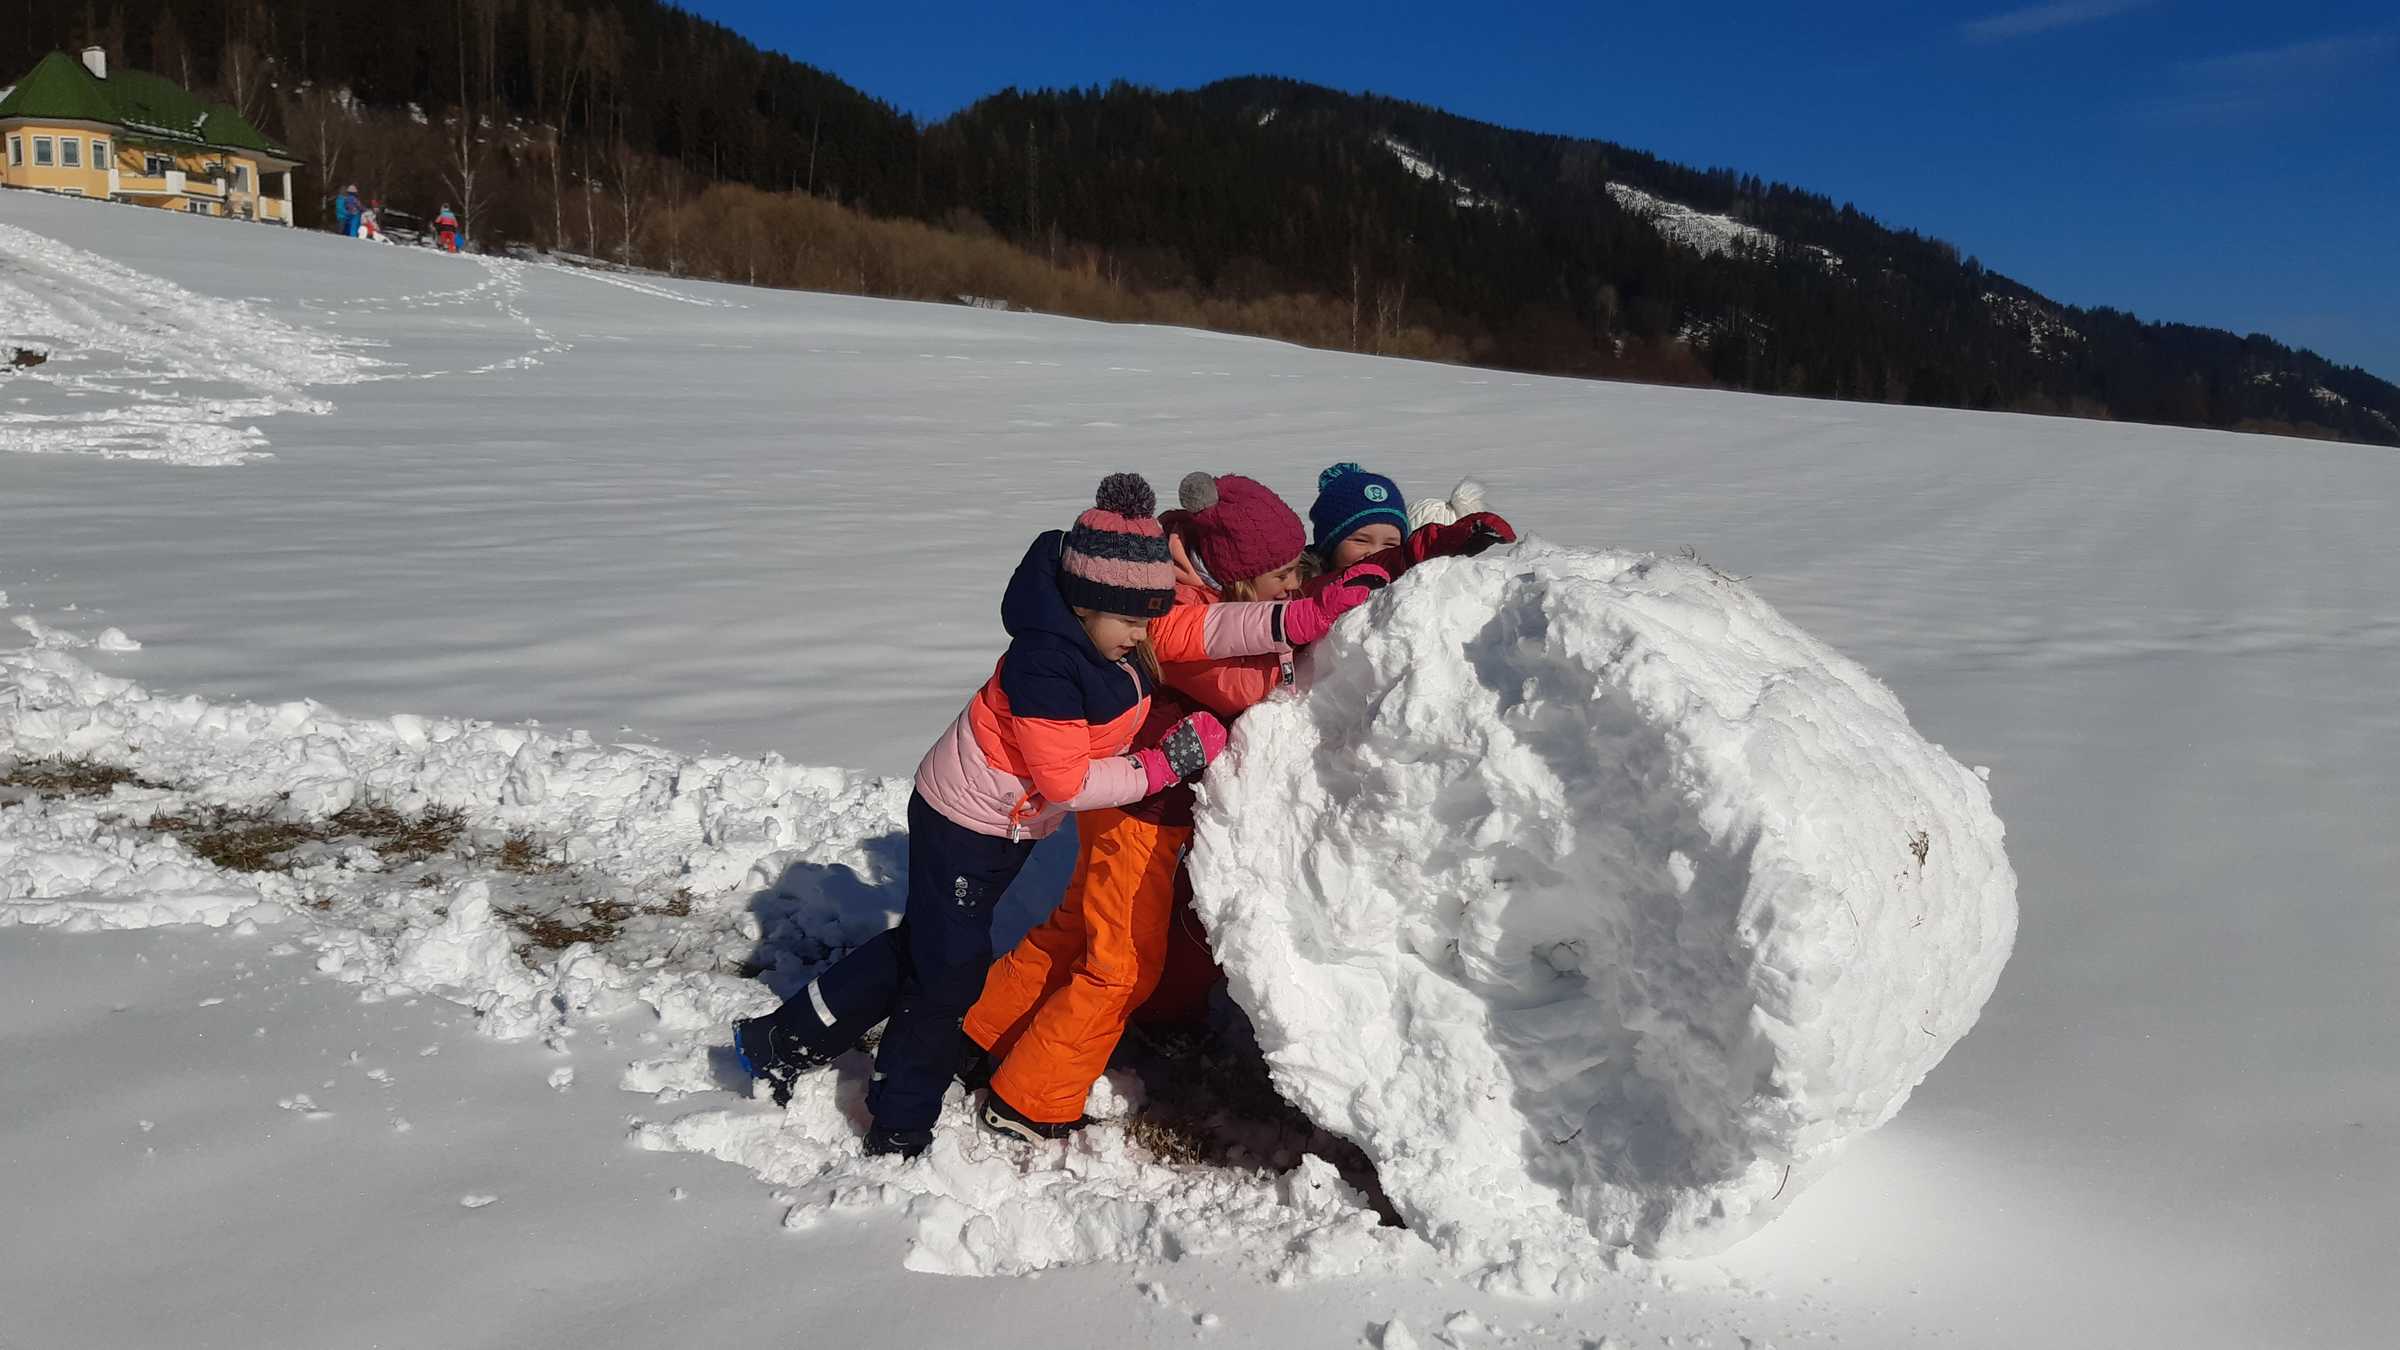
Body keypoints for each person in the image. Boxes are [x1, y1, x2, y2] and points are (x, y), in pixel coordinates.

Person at [730, 474, 1226, 1158]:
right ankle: (898, 1117)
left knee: (926, 949)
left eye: (1150, 618)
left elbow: (1202, 633)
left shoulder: (1097, 637)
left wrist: (1293, 622)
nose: (1144, 635)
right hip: (966, 822)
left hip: (1003, 822)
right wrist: (1160, 767)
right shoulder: (1045, 665)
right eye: (1134, 620)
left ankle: (781, 1040)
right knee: (949, 975)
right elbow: (1067, 779)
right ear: (1088, 604)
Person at [965, 471, 1448, 1142]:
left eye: (1294, 568)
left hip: (1129, 797)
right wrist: (1313, 631)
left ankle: (976, 1032)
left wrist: (1407, 555)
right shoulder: (1175, 617)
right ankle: (1029, 1099)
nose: (1292, 581)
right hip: (1139, 805)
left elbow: (1286, 606)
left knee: (1074, 927)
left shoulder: (1202, 589)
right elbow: (1248, 680)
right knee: (1123, 964)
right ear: (1236, 577)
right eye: (1279, 574)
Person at [1307, 461, 1412, 571]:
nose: (1375, 554)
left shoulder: (1412, 584)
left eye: (1390, 544)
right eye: (1361, 541)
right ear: (1329, 546)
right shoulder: (1301, 585)